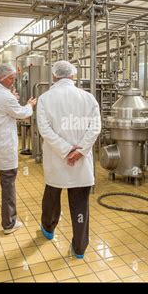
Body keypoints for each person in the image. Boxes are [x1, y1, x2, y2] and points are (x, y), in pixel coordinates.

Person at [36, 60, 101, 259]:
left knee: (52, 196)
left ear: (54, 76)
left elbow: (44, 130)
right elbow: (95, 127)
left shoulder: (45, 98)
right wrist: (79, 152)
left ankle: (48, 228)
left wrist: (65, 150)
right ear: (73, 76)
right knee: (80, 204)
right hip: (81, 162)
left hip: (56, 160)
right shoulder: (88, 98)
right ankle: (80, 247)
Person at [0, 63, 37, 234]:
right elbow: (21, 113)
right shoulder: (6, 97)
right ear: (1, 77)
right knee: (8, 184)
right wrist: (30, 105)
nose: (13, 81)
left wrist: (10, 97)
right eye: (11, 78)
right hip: (3, 147)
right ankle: (9, 223)